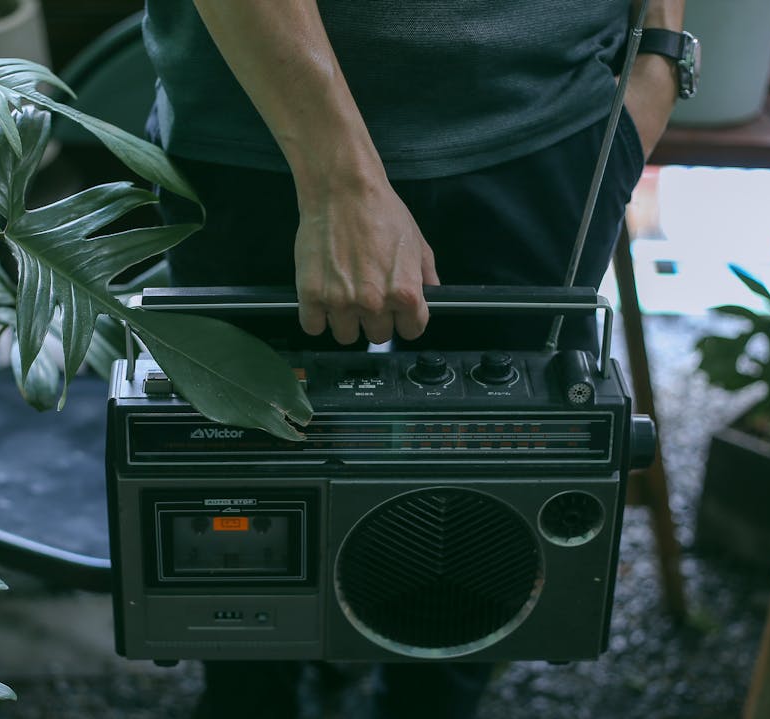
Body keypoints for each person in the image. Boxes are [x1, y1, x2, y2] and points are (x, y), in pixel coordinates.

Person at [140, 1, 690, 717]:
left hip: (548, 124)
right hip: (254, 128)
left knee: (494, 500)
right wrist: (338, 176)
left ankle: (432, 692)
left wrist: (660, 55)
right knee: (241, 491)